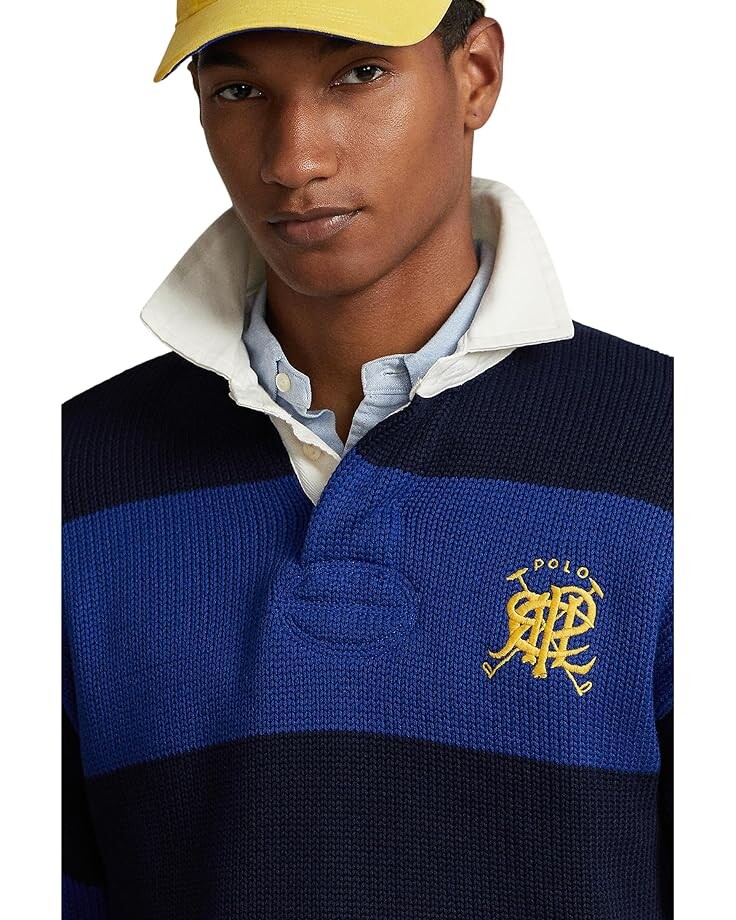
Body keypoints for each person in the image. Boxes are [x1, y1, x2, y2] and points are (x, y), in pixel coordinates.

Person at [62, 1, 673, 917]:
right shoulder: (64, 480)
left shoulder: (679, 449)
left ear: (476, 75)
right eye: (239, 90)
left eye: (358, 73)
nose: (293, 159)